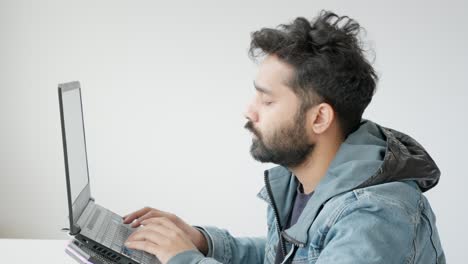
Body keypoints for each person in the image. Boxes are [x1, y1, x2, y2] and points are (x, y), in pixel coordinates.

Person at [122, 10, 445, 264]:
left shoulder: (374, 214)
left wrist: (184, 260)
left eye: (267, 100)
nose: (250, 112)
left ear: (319, 118)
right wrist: (202, 242)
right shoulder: (307, 178)